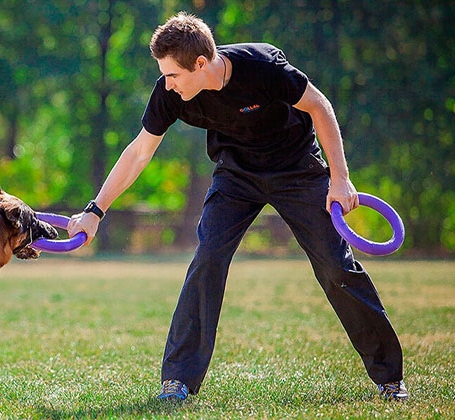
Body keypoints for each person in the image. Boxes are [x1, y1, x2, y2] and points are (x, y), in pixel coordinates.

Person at [67, 11, 408, 402]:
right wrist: (95, 211)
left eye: (173, 74)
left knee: (335, 265)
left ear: (200, 64)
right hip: (236, 175)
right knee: (208, 258)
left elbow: (320, 106)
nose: (167, 83)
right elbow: (139, 153)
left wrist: (340, 178)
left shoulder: (262, 67)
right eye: (163, 74)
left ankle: (390, 378)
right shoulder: (171, 94)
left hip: (296, 168)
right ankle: (178, 380)